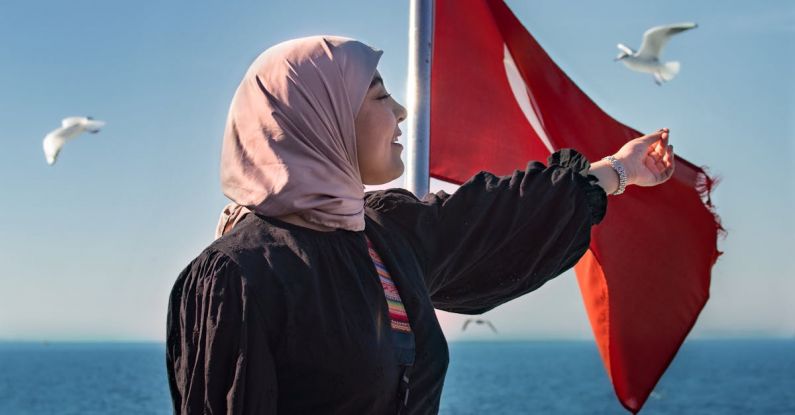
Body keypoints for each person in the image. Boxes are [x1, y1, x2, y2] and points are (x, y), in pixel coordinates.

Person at [165, 35, 674, 414]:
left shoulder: (384, 236)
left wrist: (620, 170)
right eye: (381, 97)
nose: (404, 111)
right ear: (321, 117)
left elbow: (493, 220)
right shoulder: (238, 277)